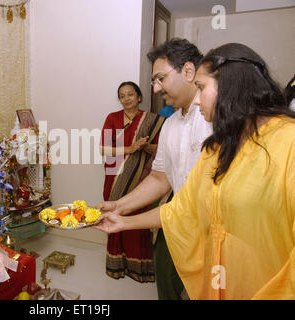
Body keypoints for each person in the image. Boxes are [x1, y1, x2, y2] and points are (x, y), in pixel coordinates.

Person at [94, 43, 295, 300]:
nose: (155, 88)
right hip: (190, 237)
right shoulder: (204, 140)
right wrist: (121, 212)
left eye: (160, 78)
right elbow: (177, 199)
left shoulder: (276, 138)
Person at [98, 38, 212, 300]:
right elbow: (160, 178)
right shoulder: (170, 124)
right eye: (154, 81)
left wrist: (125, 221)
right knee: (166, 281)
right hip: (177, 216)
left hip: (211, 222)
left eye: (161, 78)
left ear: (188, 70)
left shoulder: (213, 118)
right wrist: (119, 206)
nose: (157, 88)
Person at [100, 81, 165, 282]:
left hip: (142, 176)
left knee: (136, 215)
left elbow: (161, 150)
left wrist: (144, 147)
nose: (126, 99)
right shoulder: (113, 118)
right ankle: (116, 264)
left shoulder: (153, 121)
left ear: (139, 97)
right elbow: (104, 148)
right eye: (122, 96)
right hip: (115, 174)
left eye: (130, 94)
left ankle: (139, 268)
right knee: (115, 213)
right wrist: (130, 148)